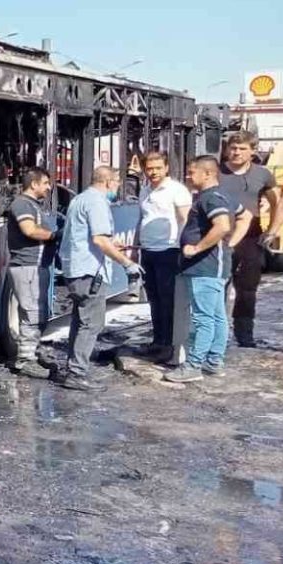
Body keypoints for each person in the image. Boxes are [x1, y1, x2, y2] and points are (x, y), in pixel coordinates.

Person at [54, 166, 142, 391]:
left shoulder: (80, 199)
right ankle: (76, 373)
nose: (118, 187)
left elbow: (87, 236)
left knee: (80, 321)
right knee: (91, 324)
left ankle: (72, 368)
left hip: (76, 269)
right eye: (117, 182)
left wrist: (111, 244)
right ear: (108, 181)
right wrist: (127, 263)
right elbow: (100, 240)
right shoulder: (97, 202)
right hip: (90, 271)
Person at [165, 156, 243, 383]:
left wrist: (197, 248)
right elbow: (244, 215)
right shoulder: (220, 196)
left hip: (204, 268)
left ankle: (194, 365)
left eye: (192, 172)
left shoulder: (211, 198)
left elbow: (222, 226)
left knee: (203, 318)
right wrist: (232, 242)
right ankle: (213, 361)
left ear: (208, 173)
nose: (188, 176)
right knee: (217, 316)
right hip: (211, 267)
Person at [218, 132, 279, 347]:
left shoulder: (262, 174)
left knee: (247, 288)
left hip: (251, 237)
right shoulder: (216, 172)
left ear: (252, 151)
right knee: (218, 285)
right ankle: (217, 333)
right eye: (233, 148)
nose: (236, 152)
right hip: (220, 237)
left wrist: (271, 230)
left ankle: (244, 334)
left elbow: (276, 201)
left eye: (242, 148)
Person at [134, 151, 192, 361]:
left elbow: (185, 219)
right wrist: (135, 247)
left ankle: (169, 344)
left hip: (169, 250)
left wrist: (183, 246)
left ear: (166, 168)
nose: (153, 172)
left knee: (168, 300)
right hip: (147, 251)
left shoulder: (177, 190)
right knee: (153, 299)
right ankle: (157, 341)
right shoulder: (145, 190)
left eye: (158, 168)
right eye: (149, 168)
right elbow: (142, 219)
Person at [6, 167, 57, 378]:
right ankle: (25, 360)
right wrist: (54, 235)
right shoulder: (22, 204)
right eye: (45, 183)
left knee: (40, 314)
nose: (49, 187)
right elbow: (29, 230)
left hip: (36, 267)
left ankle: (31, 354)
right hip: (27, 267)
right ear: (34, 184)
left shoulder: (34, 205)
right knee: (32, 314)